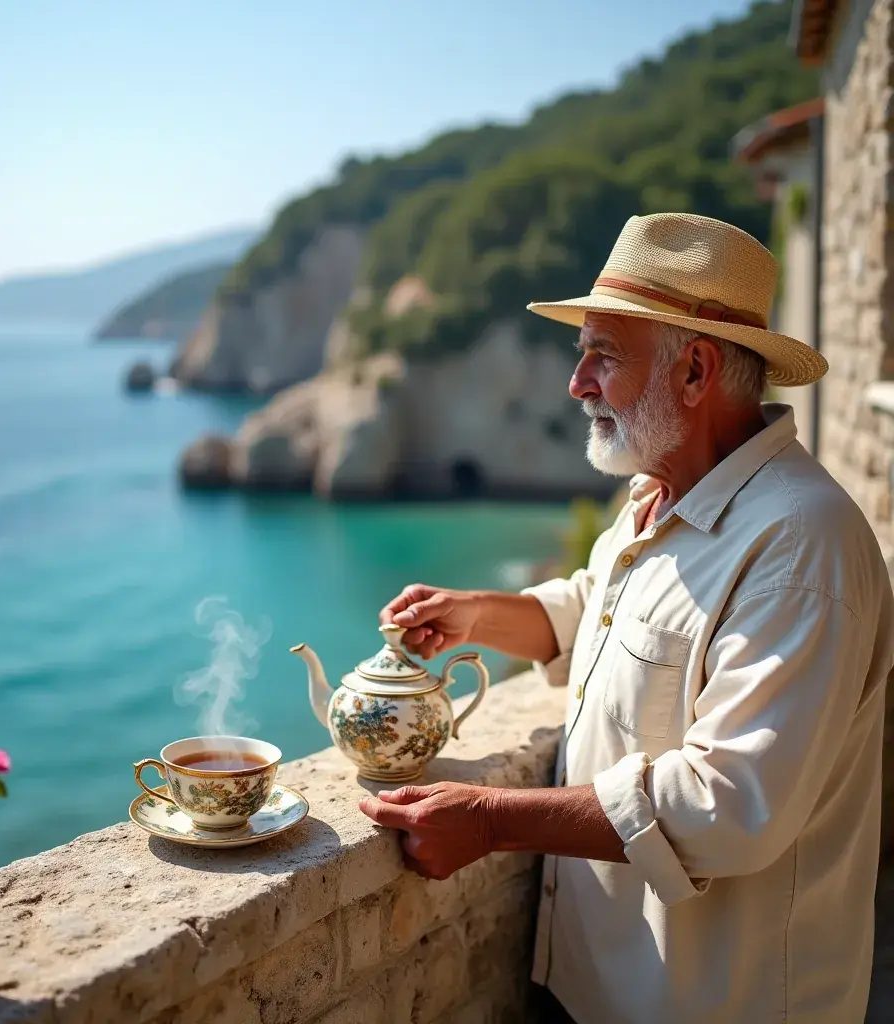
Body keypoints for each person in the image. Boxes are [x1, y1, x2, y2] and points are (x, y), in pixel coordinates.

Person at [359, 213, 894, 1023]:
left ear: (696, 371)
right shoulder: (659, 494)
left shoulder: (800, 545)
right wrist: (474, 615)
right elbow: (595, 613)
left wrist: (493, 822)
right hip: (598, 987)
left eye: (602, 354)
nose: (576, 383)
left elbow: (729, 801)